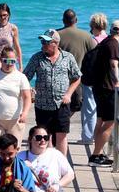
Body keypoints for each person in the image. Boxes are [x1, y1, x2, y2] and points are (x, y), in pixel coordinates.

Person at [26, 30, 81, 158]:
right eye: (42, 41)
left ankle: (62, 165)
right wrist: (29, 89)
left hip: (61, 104)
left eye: (46, 42)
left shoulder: (68, 57)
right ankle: (46, 163)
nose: (43, 44)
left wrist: (68, 94)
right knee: (44, 136)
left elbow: (77, 77)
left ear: (55, 43)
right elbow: (25, 76)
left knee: (61, 135)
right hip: (42, 105)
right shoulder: (37, 58)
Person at [57, 11, 97, 145]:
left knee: (60, 103)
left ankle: (58, 125)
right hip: (79, 77)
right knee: (77, 104)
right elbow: (94, 55)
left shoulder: (57, 35)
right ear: (76, 20)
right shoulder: (86, 36)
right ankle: (61, 125)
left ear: (63, 20)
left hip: (59, 77)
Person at [89, 21, 119, 165]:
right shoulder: (114, 44)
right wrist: (117, 81)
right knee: (110, 122)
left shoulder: (106, 41)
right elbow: (113, 64)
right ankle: (95, 155)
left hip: (99, 86)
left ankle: (96, 153)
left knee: (100, 120)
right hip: (107, 89)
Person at [0, 53, 32, 149]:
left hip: (15, 121)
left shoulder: (21, 77)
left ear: (15, 61)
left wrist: (25, 113)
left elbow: (27, 97)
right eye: (6, 61)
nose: (9, 64)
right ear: (0, 59)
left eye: (12, 61)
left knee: (13, 151)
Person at [76, 13, 108, 143]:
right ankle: (95, 135)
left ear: (93, 26)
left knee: (89, 107)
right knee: (98, 108)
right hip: (104, 79)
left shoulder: (93, 40)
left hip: (91, 78)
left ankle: (88, 136)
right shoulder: (108, 39)